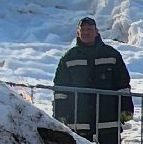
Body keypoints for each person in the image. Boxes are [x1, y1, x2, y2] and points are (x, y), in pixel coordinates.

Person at [54, 16, 132, 144]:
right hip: (79, 120)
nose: (86, 32)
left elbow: (123, 84)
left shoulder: (112, 54)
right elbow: (60, 89)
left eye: (89, 29)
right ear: (78, 33)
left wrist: (126, 107)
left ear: (96, 32)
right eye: (83, 30)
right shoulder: (68, 58)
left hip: (108, 119)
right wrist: (60, 112)